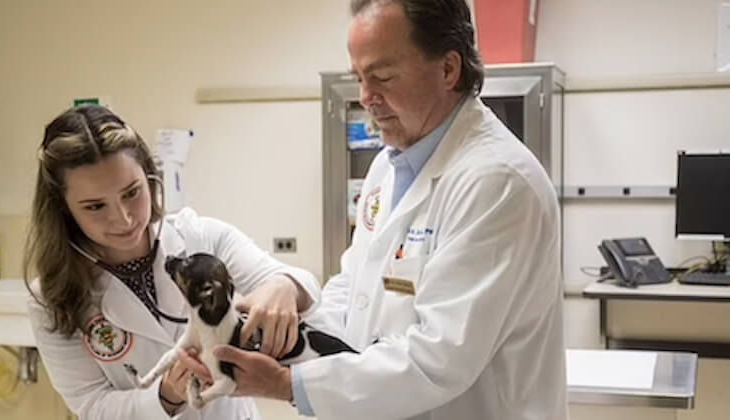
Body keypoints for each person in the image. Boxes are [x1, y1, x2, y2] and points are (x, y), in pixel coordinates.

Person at [193, 1, 568, 419]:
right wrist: (281, 335)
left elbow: (438, 359)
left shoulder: (497, 182)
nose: (366, 98)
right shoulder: (389, 166)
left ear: (448, 69)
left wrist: (287, 385)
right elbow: (355, 291)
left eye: (383, 77)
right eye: (358, 78)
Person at [24, 105, 320, 420]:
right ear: (63, 210)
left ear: (150, 179)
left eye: (132, 192)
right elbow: (92, 406)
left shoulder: (202, 237)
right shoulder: (51, 298)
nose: (123, 218)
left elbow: (300, 283)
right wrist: (166, 395)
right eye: (95, 206)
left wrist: (283, 286)